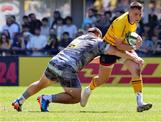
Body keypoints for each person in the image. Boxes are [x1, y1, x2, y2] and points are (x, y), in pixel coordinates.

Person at [12, 27, 143, 112]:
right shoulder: (98, 42)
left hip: (55, 61)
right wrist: (134, 58)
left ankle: (19, 101)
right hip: (67, 67)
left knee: (40, 83)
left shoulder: (79, 38)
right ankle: (46, 99)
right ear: (98, 35)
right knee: (75, 97)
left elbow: (89, 58)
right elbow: (115, 51)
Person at [80, 2, 152, 112]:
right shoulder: (120, 23)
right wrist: (135, 50)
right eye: (135, 14)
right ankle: (88, 89)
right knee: (102, 80)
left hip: (121, 47)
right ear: (129, 12)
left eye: (139, 14)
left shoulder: (134, 21)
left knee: (136, 69)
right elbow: (119, 46)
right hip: (108, 49)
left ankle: (140, 102)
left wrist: (136, 41)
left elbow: (128, 37)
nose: (137, 17)